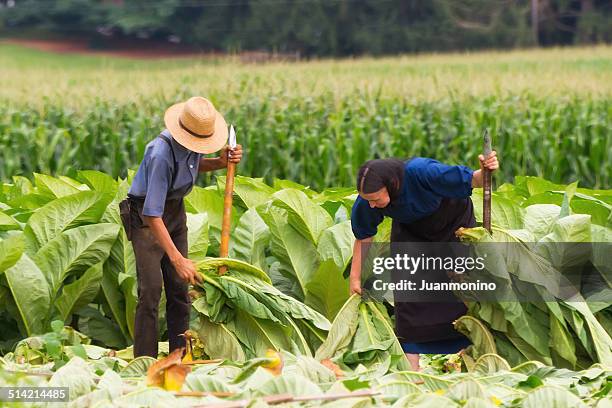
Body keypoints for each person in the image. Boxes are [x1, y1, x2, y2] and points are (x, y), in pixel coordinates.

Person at [349, 153, 498, 370]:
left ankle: (472, 358)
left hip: (454, 227)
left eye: (375, 199)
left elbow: (473, 180)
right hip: (412, 232)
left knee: (461, 289)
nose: (371, 205)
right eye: (368, 200)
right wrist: (355, 278)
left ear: (392, 185)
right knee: (409, 295)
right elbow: (364, 234)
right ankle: (413, 372)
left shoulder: (422, 172)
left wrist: (485, 171)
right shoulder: (369, 200)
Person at [124, 96, 242, 358]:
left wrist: (221, 162)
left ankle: (179, 355)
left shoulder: (192, 143)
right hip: (146, 218)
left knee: (179, 289)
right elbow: (153, 214)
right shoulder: (160, 154)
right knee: (151, 290)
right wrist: (177, 258)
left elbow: (192, 166)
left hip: (174, 210)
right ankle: (145, 361)